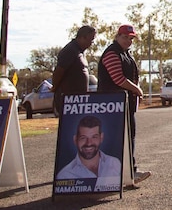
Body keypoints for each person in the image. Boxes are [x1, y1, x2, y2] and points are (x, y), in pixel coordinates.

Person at [97, 24, 151, 186]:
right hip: (113, 105)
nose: (128, 41)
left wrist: (135, 93)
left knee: (128, 137)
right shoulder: (112, 53)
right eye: (125, 37)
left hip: (124, 103)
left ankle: (128, 173)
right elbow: (118, 79)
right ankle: (122, 174)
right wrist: (137, 90)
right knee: (118, 138)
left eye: (131, 38)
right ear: (117, 36)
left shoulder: (125, 53)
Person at [56, 115, 122, 188]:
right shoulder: (65, 175)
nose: (89, 143)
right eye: (83, 138)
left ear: (101, 137)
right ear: (75, 139)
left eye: (94, 137)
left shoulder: (115, 164)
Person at [52, 25, 97, 115]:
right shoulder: (70, 50)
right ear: (82, 37)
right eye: (91, 39)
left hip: (79, 101)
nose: (92, 43)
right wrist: (54, 86)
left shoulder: (80, 51)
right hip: (69, 101)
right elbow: (59, 71)